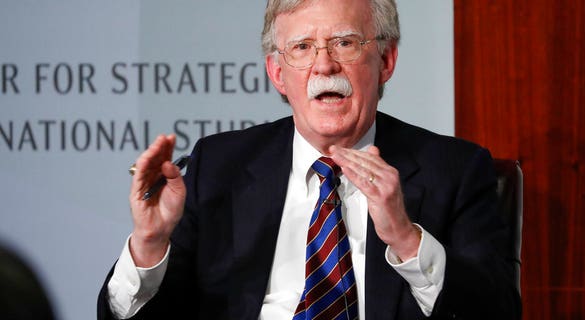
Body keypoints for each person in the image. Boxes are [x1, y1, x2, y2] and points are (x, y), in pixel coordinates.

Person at [98, 0, 522, 319]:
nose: (323, 64)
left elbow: (497, 311)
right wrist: (149, 247)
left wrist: (406, 239)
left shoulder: (455, 170)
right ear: (277, 73)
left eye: (345, 42)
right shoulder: (219, 167)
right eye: (301, 47)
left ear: (387, 60)